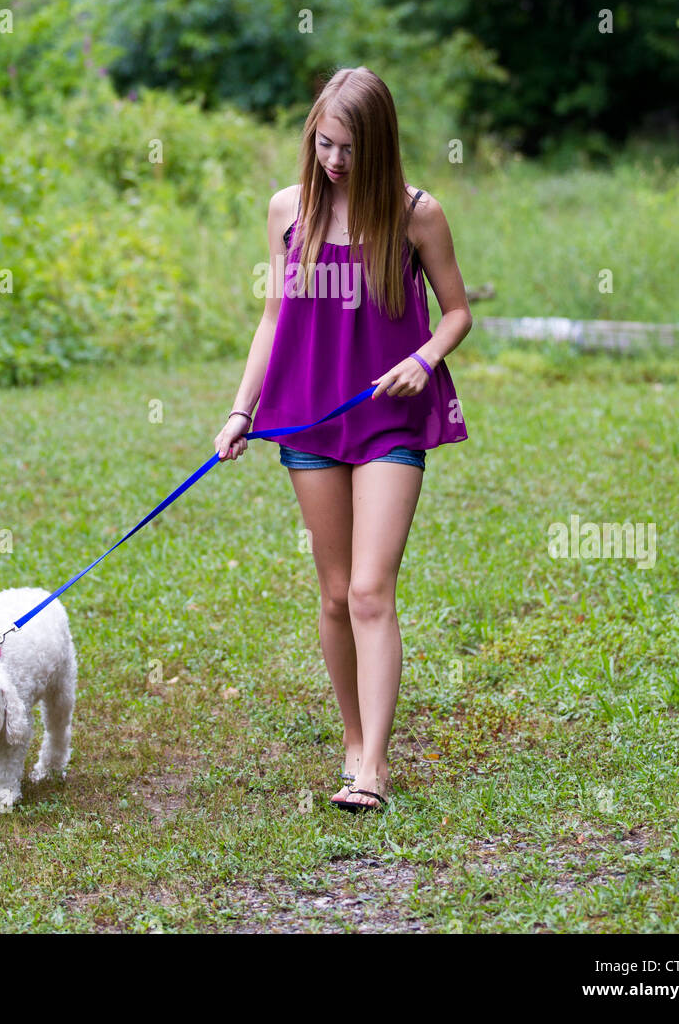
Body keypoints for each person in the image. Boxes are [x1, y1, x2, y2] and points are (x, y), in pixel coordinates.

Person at [213, 67, 472, 811]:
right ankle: (353, 740)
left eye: (351, 149)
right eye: (325, 144)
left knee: (369, 589)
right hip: (309, 415)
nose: (334, 161)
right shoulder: (286, 211)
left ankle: (374, 768)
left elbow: (456, 312)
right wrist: (241, 410)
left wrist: (425, 357)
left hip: (390, 415)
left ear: (380, 145)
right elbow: (271, 319)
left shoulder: (418, 214)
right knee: (332, 593)